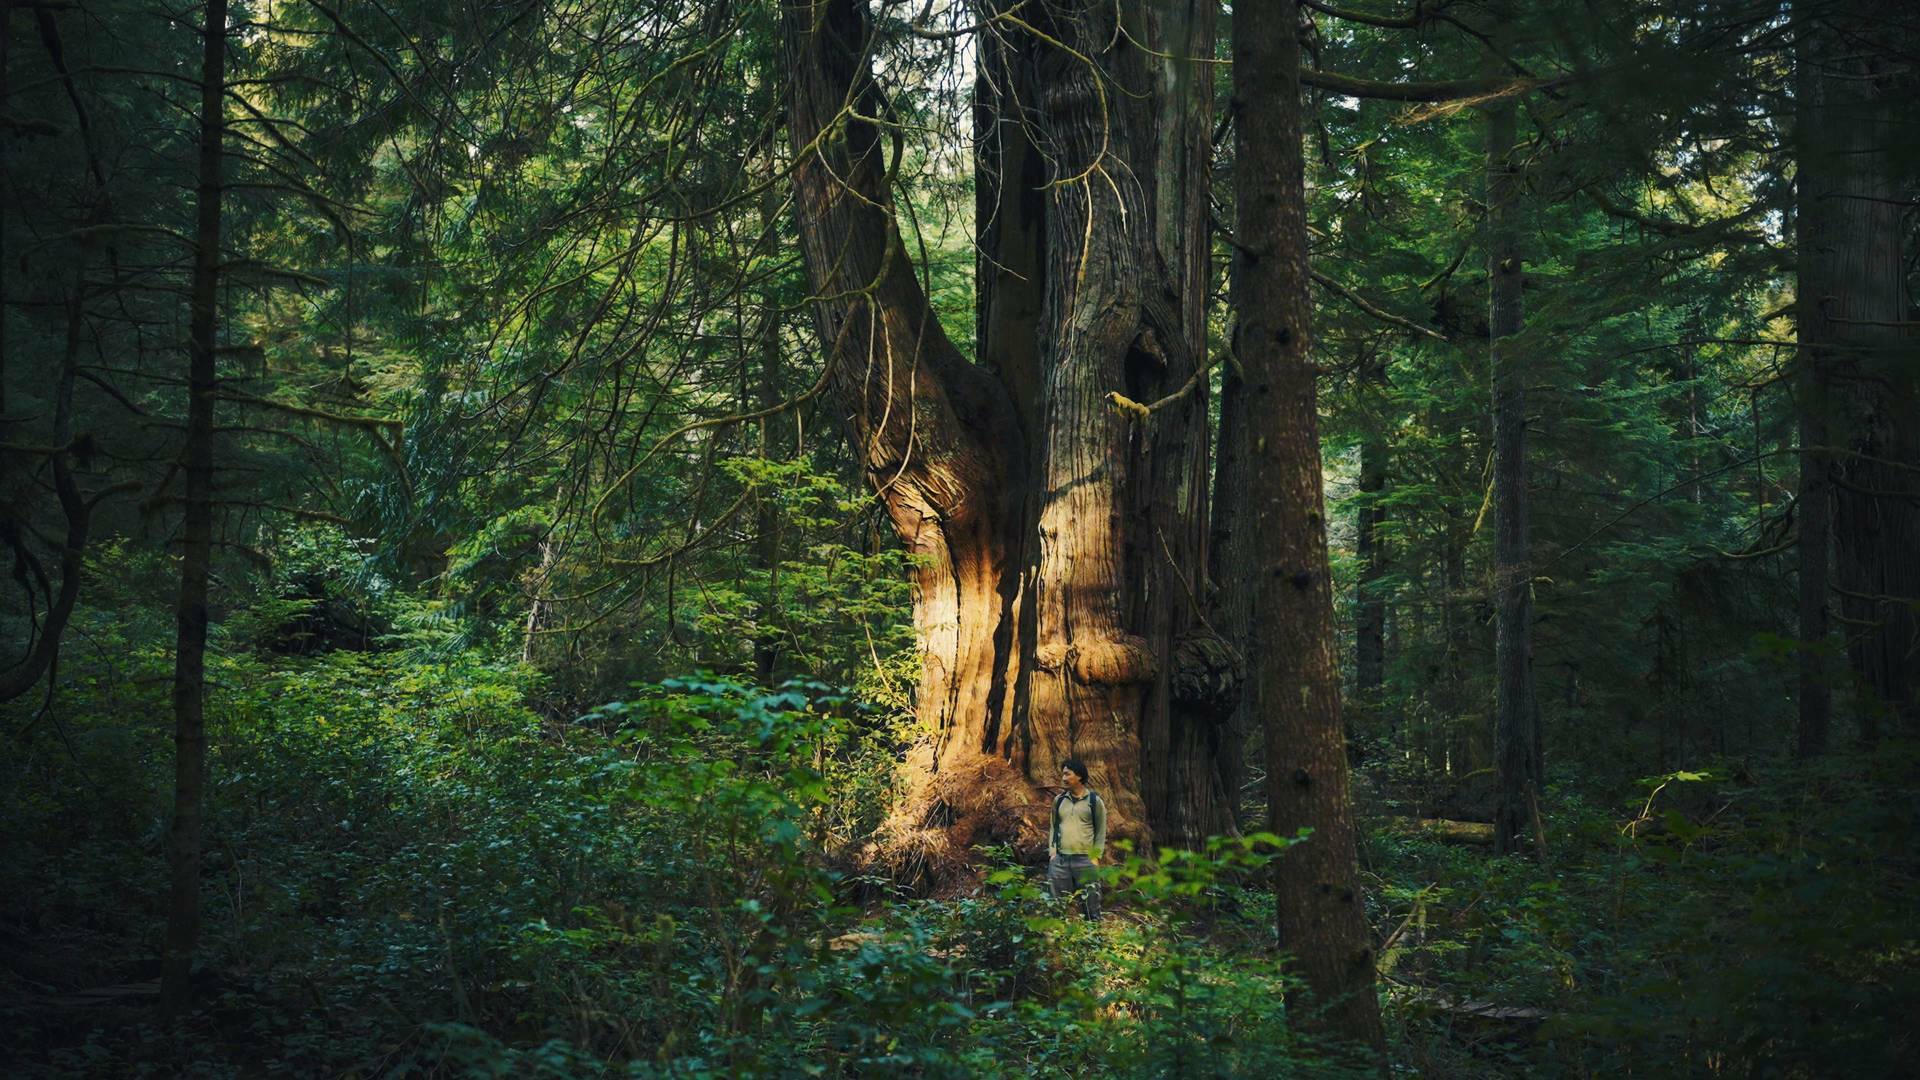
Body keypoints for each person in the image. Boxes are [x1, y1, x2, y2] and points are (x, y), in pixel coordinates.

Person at [1047, 757, 1107, 920]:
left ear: (1079, 776)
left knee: (1091, 904)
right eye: (1063, 775)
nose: (1063, 778)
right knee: (1056, 905)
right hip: (1060, 860)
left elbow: (1101, 831)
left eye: (1067, 774)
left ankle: (1094, 938)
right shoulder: (1058, 801)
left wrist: (1095, 856)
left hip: (1085, 860)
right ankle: (1056, 941)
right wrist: (1053, 853)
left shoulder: (1094, 801)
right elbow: (1053, 827)